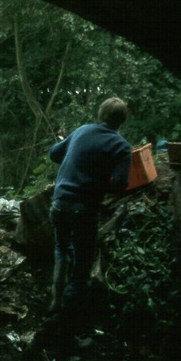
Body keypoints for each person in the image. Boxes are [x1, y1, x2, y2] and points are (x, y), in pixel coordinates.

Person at [47, 97, 132, 326]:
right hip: (84, 209)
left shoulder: (82, 130)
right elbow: (120, 184)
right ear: (122, 120)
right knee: (82, 267)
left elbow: (54, 154)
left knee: (62, 248)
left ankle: (56, 301)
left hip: (59, 204)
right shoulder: (121, 146)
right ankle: (68, 323)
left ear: (100, 114)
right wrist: (98, 183)